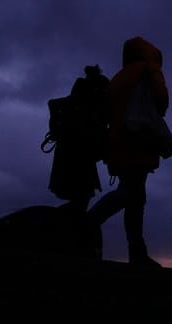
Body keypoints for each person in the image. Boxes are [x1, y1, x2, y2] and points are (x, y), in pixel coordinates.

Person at [85, 36, 169, 267]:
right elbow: (162, 100)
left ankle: (137, 252)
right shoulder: (147, 70)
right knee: (132, 194)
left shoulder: (119, 77)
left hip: (118, 141)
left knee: (135, 197)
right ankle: (87, 225)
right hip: (139, 140)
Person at [48, 64, 110, 217]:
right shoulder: (89, 102)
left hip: (72, 155)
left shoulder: (77, 99)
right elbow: (92, 134)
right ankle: (60, 225)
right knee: (82, 198)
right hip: (78, 157)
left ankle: (62, 226)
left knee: (81, 199)